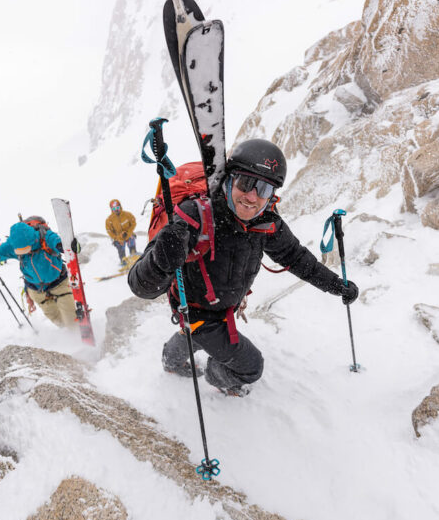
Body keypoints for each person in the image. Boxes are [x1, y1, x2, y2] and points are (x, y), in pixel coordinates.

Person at [128, 139, 359, 396]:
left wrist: (335, 285)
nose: (252, 197)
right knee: (250, 367)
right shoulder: (193, 215)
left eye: (264, 188)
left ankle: (171, 360)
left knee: (193, 336)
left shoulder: (266, 222)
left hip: (220, 307)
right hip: (197, 312)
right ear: (229, 179)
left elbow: (295, 257)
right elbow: (141, 287)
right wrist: (161, 262)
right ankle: (215, 376)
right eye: (246, 183)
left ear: (272, 195)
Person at [0, 219, 78, 329]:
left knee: (71, 319)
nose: (25, 253)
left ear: (32, 241)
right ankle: (66, 333)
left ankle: (75, 332)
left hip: (59, 284)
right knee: (55, 318)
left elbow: (58, 242)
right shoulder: (12, 245)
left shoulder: (45, 237)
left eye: (26, 249)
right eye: (20, 251)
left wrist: (66, 246)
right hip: (36, 289)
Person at [105, 199, 138, 264]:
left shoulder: (127, 215)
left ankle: (134, 256)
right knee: (120, 245)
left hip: (128, 234)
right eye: (114, 208)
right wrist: (118, 238)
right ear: (111, 209)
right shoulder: (109, 220)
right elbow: (109, 231)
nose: (116, 210)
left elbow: (133, 223)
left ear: (120, 206)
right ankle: (123, 260)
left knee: (131, 240)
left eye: (117, 207)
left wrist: (128, 233)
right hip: (118, 237)